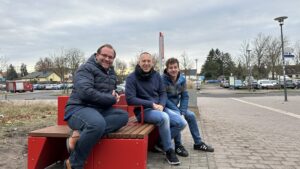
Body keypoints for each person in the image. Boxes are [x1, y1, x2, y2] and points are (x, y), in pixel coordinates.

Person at [64, 44, 129, 169]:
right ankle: (74, 163)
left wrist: (115, 95)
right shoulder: (85, 69)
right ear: (97, 55)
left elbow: (110, 91)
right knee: (96, 124)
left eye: (110, 57)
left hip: (99, 110)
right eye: (104, 55)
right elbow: (86, 93)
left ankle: (78, 135)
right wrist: (111, 98)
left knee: (123, 116)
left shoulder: (111, 72)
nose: (107, 59)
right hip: (78, 109)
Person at [125, 52, 186, 165]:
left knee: (181, 122)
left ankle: (160, 144)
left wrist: (162, 105)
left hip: (159, 108)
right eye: (144, 61)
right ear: (139, 62)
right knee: (164, 117)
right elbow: (130, 99)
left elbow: (163, 93)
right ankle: (168, 150)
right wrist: (151, 104)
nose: (146, 63)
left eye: (149, 61)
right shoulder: (131, 78)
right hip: (144, 111)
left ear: (152, 63)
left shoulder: (156, 76)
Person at [162, 57, 214, 157]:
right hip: (166, 106)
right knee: (177, 118)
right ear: (167, 69)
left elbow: (185, 96)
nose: (173, 70)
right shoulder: (163, 80)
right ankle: (178, 146)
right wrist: (178, 111)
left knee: (191, 115)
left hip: (177, 107)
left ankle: (198, 143)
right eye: (171, 68)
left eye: (175, 67)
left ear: (178, 68)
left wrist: (182, 111)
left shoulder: (182, 79)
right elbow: (164, 98)